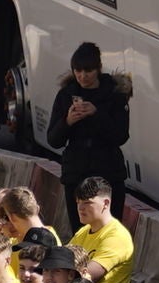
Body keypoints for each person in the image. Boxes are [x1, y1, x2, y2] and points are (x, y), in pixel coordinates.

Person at [41, 44, 128, 207]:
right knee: (80, 230)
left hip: (108, 172)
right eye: (78, 71)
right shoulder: (66, 95)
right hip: (76, 173)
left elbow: (121, 135)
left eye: (88, 71)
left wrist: (97, 114)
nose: (83, 76)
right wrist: (67, 122)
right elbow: (53, 140)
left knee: (110, 230)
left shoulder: (114, 94)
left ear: (99, 69)